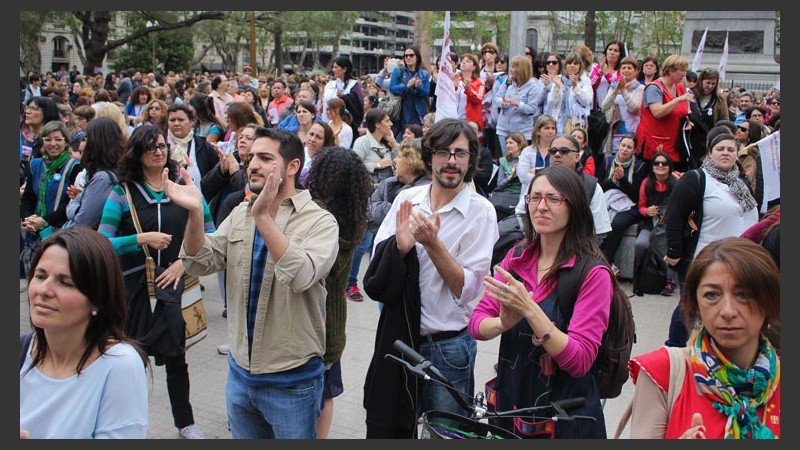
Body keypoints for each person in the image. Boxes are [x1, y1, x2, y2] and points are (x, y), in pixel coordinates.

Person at [175, 127, 339, 439]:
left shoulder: (320, 221)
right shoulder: (241, 213)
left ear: (292, 167)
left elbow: (302, 275)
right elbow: (199, 260)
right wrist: (196, 214)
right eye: (251, 157)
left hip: (291, 380)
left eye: (265, 158)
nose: (251, 165)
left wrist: (264, 216)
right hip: (240, 375)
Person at [362, 118, 498, 438]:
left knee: (445, 436)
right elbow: (376, 279)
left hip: (449, 350)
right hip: (400, 341)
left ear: (470, 161)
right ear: (429, 157)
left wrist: (432, 244)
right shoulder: (407, 202)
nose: (451, 161)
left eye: (460, 153)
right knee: (393, 429)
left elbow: (465, 290)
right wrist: (400, 246)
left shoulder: (481, 212)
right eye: (443, 152)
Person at [470, 164, 614, 438]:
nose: (541, 206)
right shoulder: (517, 257)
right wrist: (502, 323)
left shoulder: (593, 273)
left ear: (575, 207)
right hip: (512, 404)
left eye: (553, 199)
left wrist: (529, 309)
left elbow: (580, 360)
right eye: (535, 198)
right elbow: (477, 323)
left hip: (565, 415)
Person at [97, 124, 215, 439]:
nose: (158, 151)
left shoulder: (184, 186)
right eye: (150, 146)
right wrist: (140, 238)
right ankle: (125, 423)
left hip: (175, 286)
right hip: (134, 289)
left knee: (177, 357)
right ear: (136, 153)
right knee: (131, 358)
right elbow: (102, 243)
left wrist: (183, 263)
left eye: (162, 145)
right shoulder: (121, 192)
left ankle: (185, 422)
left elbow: (213, 234)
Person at [628, 237, 780, 439]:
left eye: (743, 295)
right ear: (695, 304)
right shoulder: (662, 371)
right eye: (711, 295)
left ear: (768, 300)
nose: (727, 311)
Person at [20, 227, 150, 439]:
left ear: (98, 298)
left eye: (66, 282)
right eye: (40, 275)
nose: (43, 290)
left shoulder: (120, 365)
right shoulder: (21, 351)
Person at [664, 133, 758, 348]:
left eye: (730, 149)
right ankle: (674, 350)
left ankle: (714, 353)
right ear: (710, 152)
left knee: (726, 307)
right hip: (702, 257)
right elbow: (675, 215)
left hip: (737, 259)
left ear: (737, 154)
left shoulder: (741, 182)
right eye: (720, 149)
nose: (726, 153)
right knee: (690, 306)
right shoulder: (696, 179)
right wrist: (674, 252)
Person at [305, 146, 373, 439]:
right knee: (327, 392)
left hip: (310, 323)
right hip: (333, 323)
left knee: (307, 398)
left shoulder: (314, 217)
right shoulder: (354, 220)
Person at [21, 120, 82, 276]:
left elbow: (70, 203)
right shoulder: (35, 164)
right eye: (48, 139)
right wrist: (28, 219)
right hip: (34, 232)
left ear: (66, 142)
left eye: (58, 139)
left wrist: (45, 220)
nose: (52, 144)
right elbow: (29, 197)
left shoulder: (74, 167)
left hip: (59, 231)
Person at [64, 117, 125, 230]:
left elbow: (83, 221)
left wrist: (75, 204)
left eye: (87, 137)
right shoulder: (118, 170)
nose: (83, 142)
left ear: (96, 142)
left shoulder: (103, 178)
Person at [633, 151, 679, 297]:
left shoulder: (676, 182)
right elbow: (640, 207)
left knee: (666, 245)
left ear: (669, 166)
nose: (660, 166)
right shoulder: (646, 182)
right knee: (641, 244)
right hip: (650, 223)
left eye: (664, 163)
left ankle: (670, 280)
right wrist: (647, 211)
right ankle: (639, 276)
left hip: (669, 225)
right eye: (656, 163)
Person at [599, 134, 647, 277]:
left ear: (634, 150)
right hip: (608, 200)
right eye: (623, 145)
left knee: (618, 222)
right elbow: (599, 187)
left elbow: (637, 195)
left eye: (629, 147)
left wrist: (623, 180)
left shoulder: (639, 167)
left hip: (629, 205)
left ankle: (607, 259)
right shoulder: (607, 162)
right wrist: (612, 180)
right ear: (618, 146)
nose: (625, 149)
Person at [635, 54, 692, 172]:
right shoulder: (654, 88)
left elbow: (684, 110)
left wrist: (687, 121)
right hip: (655, 142)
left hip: (675, 143)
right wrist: (678, 99)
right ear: (670, 70)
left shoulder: (680, 87)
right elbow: (657, 112)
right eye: (682, 70)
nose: (684, 74)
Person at [495, 55, 543, 157]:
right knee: (505, 159)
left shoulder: (534, 86)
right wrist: (501, 102)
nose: (511, 70)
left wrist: (518, 104)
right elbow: (497, 97)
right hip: (503, 129)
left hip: (522, 132)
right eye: (511, 67)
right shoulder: (509, 81)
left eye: (514, 67)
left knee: (519, 160)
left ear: (522, 69)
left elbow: (532, 109)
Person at [166, 104, 217, 193]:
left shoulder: (203, 145)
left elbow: (214, 175)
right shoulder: (162, 144)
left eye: (181, 120)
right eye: (172, 120)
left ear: (191, 122)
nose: (176, 123)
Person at [601, 56, 644, 158]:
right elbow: (604, 106)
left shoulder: (640, 88)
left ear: (636, 71)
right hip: (615, 132)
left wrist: (623, 90)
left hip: (632, 130)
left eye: (629, 68)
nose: (626, 70)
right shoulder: (614, 85)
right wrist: (616, 90)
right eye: (623, 68)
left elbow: (634, 108)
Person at [514, 114, 557, 215]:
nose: (551, 131)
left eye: (553, 128)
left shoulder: (557, 152)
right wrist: (547, 173)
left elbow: (558, 174)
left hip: (551, 198)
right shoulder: (527, 151)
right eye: (547, 128)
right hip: (529, 197)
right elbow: (523, 177)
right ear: (538, 131)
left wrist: (536, 171)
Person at [543, 52, 593, 134]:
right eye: (569, 63)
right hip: (559, 123)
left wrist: (576, 87)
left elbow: (586, 101)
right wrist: (556, 88)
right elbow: (551, 102)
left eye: (575, 63)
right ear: (565, 65)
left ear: (580, 66)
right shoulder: (559, 79)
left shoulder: (585, 81)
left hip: (576, 123)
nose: (572, 65)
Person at [389, 45, 431, 141]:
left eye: (411, 55)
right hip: (401, 112)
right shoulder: (398, 71)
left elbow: (426, 93)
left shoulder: (423, 74)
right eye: (406, 55)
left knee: (418, 141)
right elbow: (392, 88)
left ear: (417, 57)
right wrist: (405, 86)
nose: (408, 58)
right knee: (401, 140)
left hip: (418, 113)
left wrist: (418, 87)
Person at [322, 56, 364, 139]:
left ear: (344, 69)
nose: (333, 70)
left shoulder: (354, 85)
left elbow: (357, 105)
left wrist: (345, 98)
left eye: (336, 67)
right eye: (333, 67)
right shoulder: (330, 84)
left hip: (345, 124)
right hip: (328, 122)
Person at [589, 40, 626, 109]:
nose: (612, 52)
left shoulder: (622, 70)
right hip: (598, 111)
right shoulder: (596, 68)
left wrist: (606, 74)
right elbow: (590, 86)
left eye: (616, 51)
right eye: (610, 49)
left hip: (616, 110)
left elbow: (618, 87)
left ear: (620, 54)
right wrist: (600, 72)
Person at [299, 121, 336, 188]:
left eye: (318, 137)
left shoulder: (328, 163)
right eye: (311, 134)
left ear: (326, 142)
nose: (312, 139)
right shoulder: (298, 153)